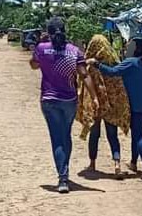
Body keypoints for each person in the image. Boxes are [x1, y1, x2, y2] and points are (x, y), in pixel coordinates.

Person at [31, 17, 98, 194]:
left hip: (49, 100)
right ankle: (65, 172)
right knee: (65, 135)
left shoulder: (42, 49)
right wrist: (94, 97)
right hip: (69, 101)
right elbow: (84, 74)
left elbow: (33, 65)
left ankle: (63, 178)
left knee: (56, 138)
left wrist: (40, 44)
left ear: (49, 32)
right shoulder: (75, 51)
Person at [89, 38, 142, 180]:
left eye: (129, 46)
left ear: (135, 49)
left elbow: (112, 72)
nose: (127, 48)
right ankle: (133, 163)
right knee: (137, 132)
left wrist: (97, 64)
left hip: (134, 105)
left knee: (139, 134)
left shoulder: (130, 63)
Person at [77, 35, 130, 178]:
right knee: (112, 135)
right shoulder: (114, 63)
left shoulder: (89, 66)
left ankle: (92, 163)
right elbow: (119, 87)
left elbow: (83, 84)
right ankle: (117, 165)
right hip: (111, 106)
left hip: (95, 106)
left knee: (94, 134)